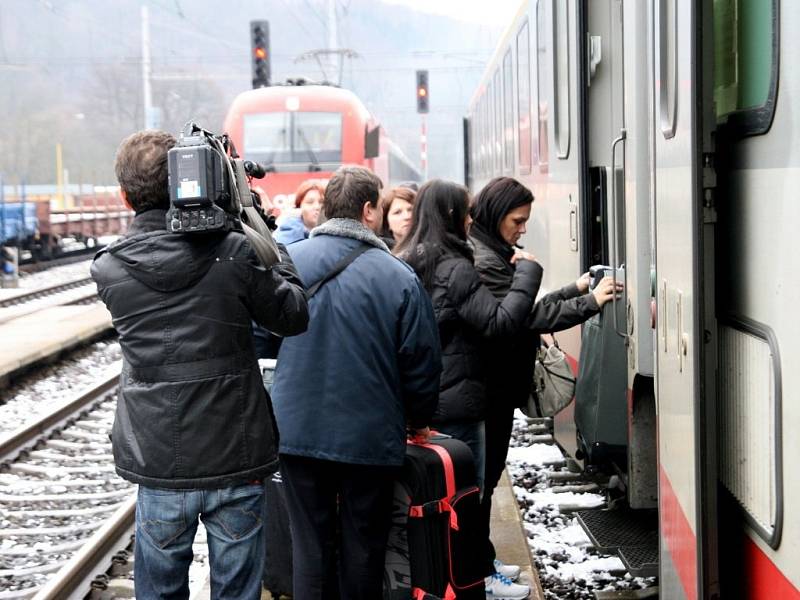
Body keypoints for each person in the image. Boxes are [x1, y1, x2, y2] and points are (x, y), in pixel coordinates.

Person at [91, 130, 309, 600]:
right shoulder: (234, 251)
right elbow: (293, 315)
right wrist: (258, 225)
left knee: (160, 588)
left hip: (159, 458)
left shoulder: (108, 268)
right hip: (237, 454)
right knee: (236, 590)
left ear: (124, 196)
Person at [270, 166, 442, 599]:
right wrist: (418, 418)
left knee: (310, 549)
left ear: (327, 210)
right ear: (369, 211)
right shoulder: (399, 277)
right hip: (368, 437)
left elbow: (262, 338)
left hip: (297, 432)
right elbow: (420, 362)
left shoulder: (287, 264)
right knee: (363, 547)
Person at [469, 176, 620, 591]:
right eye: (517, 221)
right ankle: (480, 572)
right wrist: (589, 303)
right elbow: (526, 319)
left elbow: (525, 307)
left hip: (493, 389)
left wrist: (574, 289)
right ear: (496, 215)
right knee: (482, 483)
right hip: (489, 390)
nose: (522, 229)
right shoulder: (485, 261)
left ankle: (482, 561)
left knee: (487, 478)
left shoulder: (492, 251)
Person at [274, 179, 325, 245]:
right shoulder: (284, 234)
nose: (317, 207)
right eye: (310, 202)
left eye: (321, 202)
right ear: (299, 207)